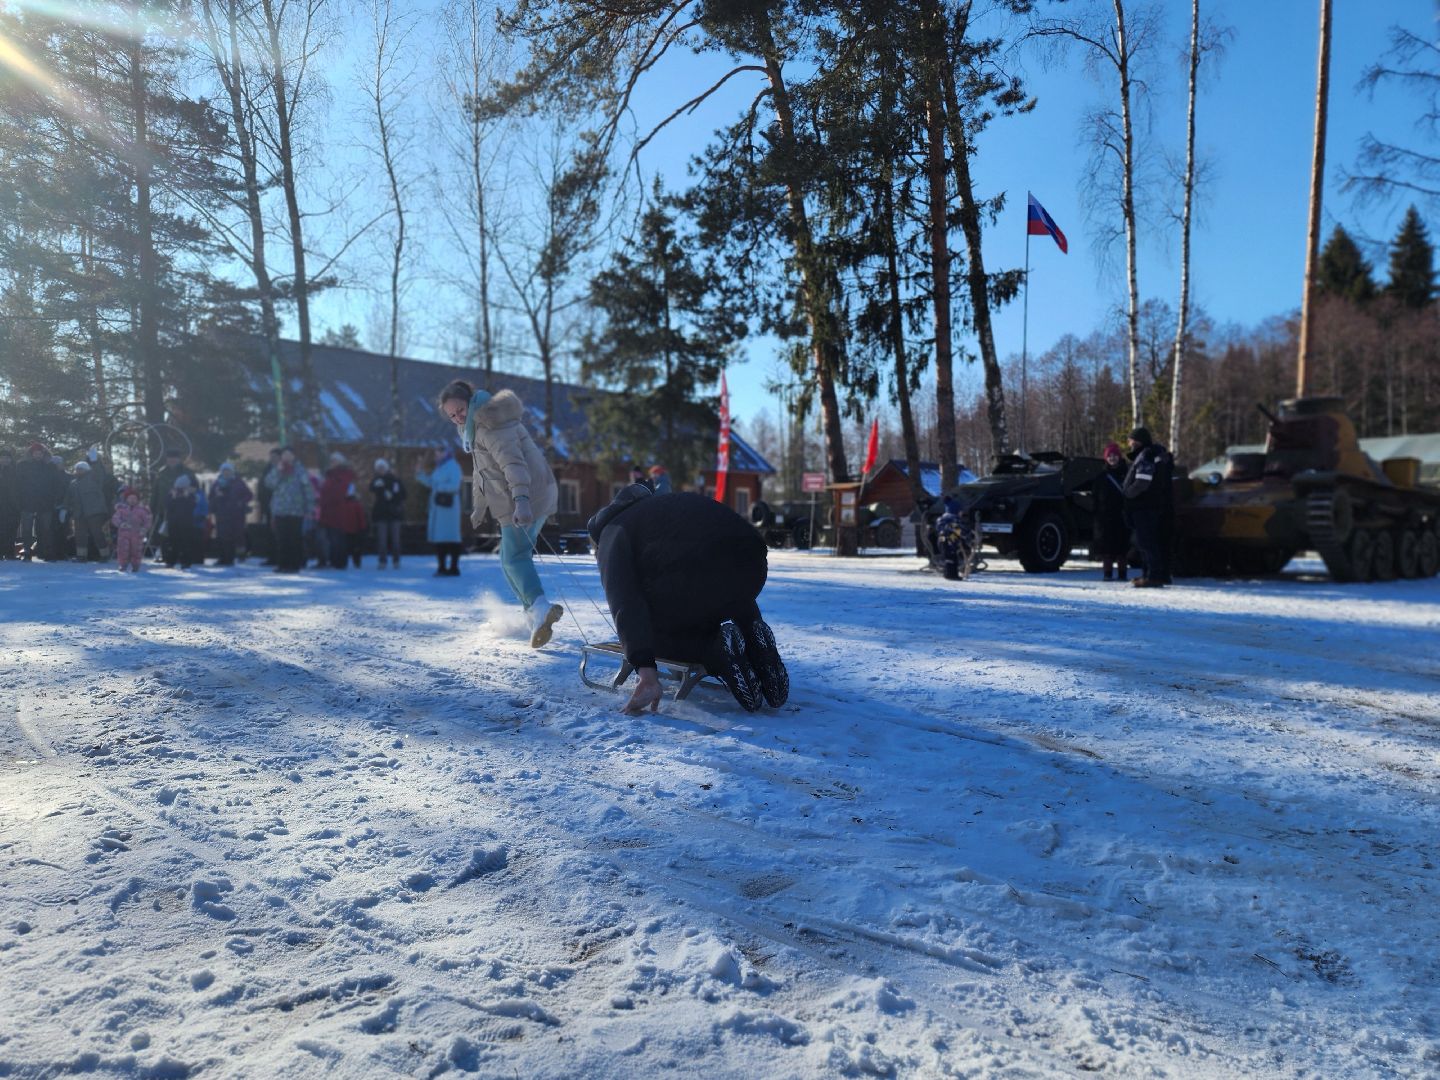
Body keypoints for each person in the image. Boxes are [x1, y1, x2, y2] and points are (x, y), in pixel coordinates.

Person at [587, 482, 788, 715]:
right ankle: (753, 640)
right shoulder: (662, 507)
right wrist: (751, 621)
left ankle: (716, 651)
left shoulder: (612, 530)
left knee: (656, 632)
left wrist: (645, 669)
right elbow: (720, 561)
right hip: (753, 557)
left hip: (698, 573)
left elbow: (625, 600)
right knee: (721, 581)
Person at [437, 379, 562, 646]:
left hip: (528, 494)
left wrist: (522, 501)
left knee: (514, 557)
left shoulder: (488, 424)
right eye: (452, 415)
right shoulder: (474, 428)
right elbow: (482, 472)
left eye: (460, 409)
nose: (457, 417)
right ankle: (534, 613)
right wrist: (480, 507)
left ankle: (539, 608)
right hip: (526, 495)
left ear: (470, 402)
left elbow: (512, 464)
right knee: (509, 557)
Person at [1123, 427, 1175, 588]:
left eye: (1131, 440)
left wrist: (1128, 493)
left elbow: (1142, 482)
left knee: (1146, 543)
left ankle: (1153, 576)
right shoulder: (1154, 454)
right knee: (1150, 542)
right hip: (1152, 505)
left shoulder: (1146, 455)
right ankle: (1151, 574)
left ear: (1137, 440)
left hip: (1144, 506)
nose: (1129, 443)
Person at [263, 446, 314, 573]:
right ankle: (282, 564)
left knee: (294, 538)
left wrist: (309, 508)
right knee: (282, 538)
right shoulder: (277, 469)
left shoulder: (300, 470)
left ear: (293, 456)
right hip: (280, 509)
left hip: (296, 510)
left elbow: (307, 489)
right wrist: (278, 471)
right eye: (284, 455)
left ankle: (294, 565)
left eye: (289, 454)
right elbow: (269, 484)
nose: (286, 457)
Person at [415, 446, 464, 577]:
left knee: (451, 538)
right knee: (440, 539)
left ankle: (454, 568)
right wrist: (420, 475)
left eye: (438, 454)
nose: (436, 456)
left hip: (449, 508)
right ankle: (442, 567)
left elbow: (455, 485)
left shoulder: (453, 466)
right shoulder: (440, 467)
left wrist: (438, 487)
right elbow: (432, 482)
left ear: (445, 453)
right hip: (439, 507)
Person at [318, 452, 367, 569]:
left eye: (335, 461)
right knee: (332, 537)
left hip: (340, 509)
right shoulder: (329, 475)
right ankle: (335, 559)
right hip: (329, 509)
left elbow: (343, 490)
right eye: (332, 461)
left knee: (338, 537)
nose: (332, 463)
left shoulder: (345, 475)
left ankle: (340, 561)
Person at [16, 442, 62, 561]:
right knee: (26, 529)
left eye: (40, 453)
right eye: (35, 453)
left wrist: (54, 499)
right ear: (31, 454)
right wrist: (20, 500)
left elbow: (56, 484)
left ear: (43, 454)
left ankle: (47, 552)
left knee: (46, 529)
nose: (38, 455)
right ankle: (27, 551)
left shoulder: (50, 467)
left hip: (45, 503)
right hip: (27, 502)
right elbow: (18, 485)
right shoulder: (23, 466)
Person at [1092, 442, 1131, 582]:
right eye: (1110, 456)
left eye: (1115, 455)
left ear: (1119, 457)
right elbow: (1095, 498)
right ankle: (1107, 574)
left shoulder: (1127, 474)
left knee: (1122, 549)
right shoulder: (1101, 477)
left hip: (1122, 516)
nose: (1112, 458)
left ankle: (1122, 574)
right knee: (1106, 550)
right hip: (1105, 518)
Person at [65, 460, 112, 563]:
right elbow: (69, 498)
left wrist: (95, 461)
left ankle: (105, 555)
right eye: (77, 469)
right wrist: (66, 508)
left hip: (94, 512)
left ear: (86, 470)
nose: (78, 471)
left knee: (97, 533)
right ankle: (81, 556)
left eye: (81, 469)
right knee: (80, 535)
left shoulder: (94, 478)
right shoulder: (73, 483)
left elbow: (100, 473)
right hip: (79, 513)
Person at [209, 463, 254, 567]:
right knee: (221, 536)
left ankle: (232, 557)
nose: (226, 472)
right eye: (224, 470)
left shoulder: (238, 482)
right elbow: (211, 497)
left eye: (228, 470)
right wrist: (215, 502)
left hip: (236, 514)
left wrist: (241, 502)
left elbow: (249, 495)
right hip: (221, 513)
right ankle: (222, 557)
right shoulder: (216, 483)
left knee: (235, 535)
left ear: (232, 471)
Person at [150, 447, 197, 546]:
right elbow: (155, 492)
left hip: (182, 509)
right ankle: (166, 555)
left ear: (179, 459)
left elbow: (196, 489)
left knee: (181, 533)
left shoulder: (188, 473)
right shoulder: (161, 473)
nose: (172, 460)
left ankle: (181, 553)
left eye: (175, 457)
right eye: (170, 457)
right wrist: (152, 508)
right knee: (163, 533)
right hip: (163, 508)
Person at [369, 458, 407, 569]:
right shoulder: (376, 481)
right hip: (381, 514)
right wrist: (377, 485)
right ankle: (382, 561)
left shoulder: (395, 480)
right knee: (382, 540)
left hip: (394, 514)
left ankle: (396, 560)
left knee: (395, 539)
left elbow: (403, 495)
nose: (381, 470)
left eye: (382, 467)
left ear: (386, 468)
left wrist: (394, 496)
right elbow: (371, 489)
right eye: (378, 468)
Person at [163, 474, 206, 569]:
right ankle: (170, 561)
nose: (180, 489)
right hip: (173, 523)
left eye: (182, 487)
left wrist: (187, 497)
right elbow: (167, 506)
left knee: (186, 543)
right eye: (178, 487)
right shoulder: (171, 494)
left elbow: (192, 506)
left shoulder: (191, 496)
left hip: (186, 523)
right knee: (172, 543)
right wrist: (173, 497)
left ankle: (186, 562)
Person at [111, 486, 152, 572]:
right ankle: (123, 565)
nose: (132, 500)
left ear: (137, 500)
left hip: (137, 534)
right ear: (126, 499)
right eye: (130, 498)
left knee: (136, 551)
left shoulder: (142, 510)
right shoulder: (121, 510)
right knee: (123, 550)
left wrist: (144, 528)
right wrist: (121, 524)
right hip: (123, 534)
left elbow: (147, 521)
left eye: (134, 498)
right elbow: (115, 518)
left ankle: (135, 565)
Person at [256, 447, 282, 564]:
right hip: (267, 506)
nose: (273, 459)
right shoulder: (267, 469)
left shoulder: (283, 469)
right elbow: (262, 487)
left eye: (275, 457)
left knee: (280, 532)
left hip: (281, 506)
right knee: (270, 532)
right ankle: (272, 556)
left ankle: (280, 557)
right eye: (271, 457)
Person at [0, 448, 19, 560]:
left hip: (12, 505)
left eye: (7, 458)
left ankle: (9, 553)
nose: (5, 460)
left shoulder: (15, 471)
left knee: (11, 529)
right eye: (2, 458)